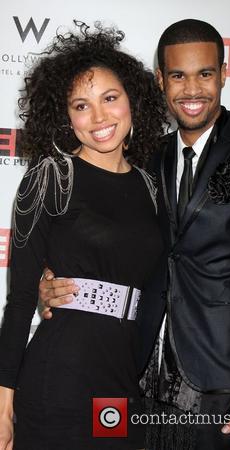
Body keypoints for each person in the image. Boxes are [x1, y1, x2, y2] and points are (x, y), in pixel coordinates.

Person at [39, 19, 230, 450]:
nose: (192, 89)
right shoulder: (146, 157)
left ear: (224, 73)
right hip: (134, 379)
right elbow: (112, 243)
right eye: (178, 75)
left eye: (205, 74)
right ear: (160, 79)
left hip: (224, 388)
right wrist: (51, 282)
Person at [0, 21, 166, 450]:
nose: (98, 118)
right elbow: (20, 301)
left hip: (121, 382)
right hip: (59, 378)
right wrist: (2, 407)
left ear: (132, 100)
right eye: (80, 105)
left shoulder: (152, 187)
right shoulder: (53, 177)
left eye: (110, 98)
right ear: (65, 115)